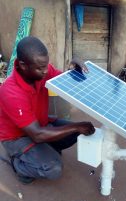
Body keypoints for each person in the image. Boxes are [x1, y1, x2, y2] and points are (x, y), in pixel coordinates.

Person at [0, 36, 95, 184]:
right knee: (54, 168)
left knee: (76, 132)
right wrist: (76, 125)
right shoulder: (11, 93)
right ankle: (18, 166)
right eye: (40, 68)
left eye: (46, 65)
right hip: (17, 137)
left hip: (40, 123)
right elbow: (37, 135)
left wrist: (73, 68)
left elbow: (63, 81)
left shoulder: (41, 71)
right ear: (23, 66)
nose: (46, 71)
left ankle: (44, 150)